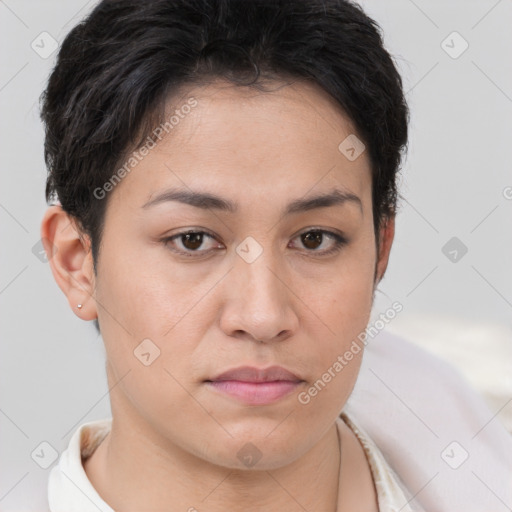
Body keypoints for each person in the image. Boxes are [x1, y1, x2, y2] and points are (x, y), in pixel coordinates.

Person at [38, 0, 512, 511]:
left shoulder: (467, 434)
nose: (263, 316)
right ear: (76, 263)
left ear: (381, 251)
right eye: (193, 240)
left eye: (314, 239)